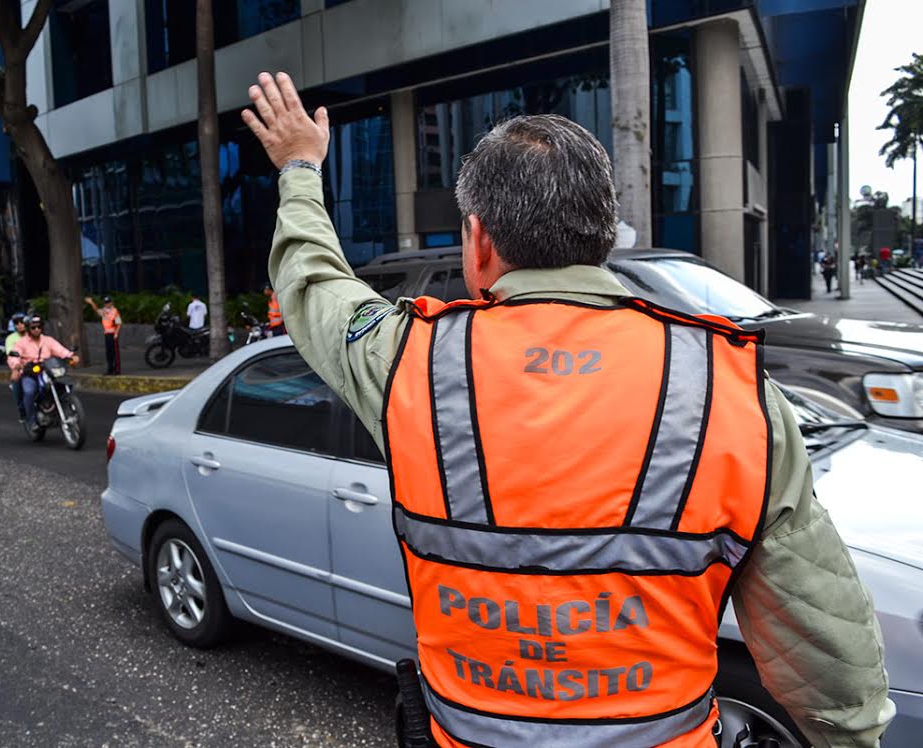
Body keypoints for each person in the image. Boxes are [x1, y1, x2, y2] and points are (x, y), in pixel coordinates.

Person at [242, 71, 894, 747]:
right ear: (603, 235)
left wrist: (299, 165)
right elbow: (827, 651)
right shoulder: (733, 388)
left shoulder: (408, 362)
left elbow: (312, 285)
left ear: (479, 241)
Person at [8, 316, 78, 429]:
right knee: (29, 391)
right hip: (30, 373)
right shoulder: (21, 343)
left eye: (39, 327)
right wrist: (16, 366)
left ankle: (67, 408)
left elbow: (60, 350)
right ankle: (31, 421)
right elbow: (13, 356)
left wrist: (71, 356)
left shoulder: (48, 340)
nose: (36, 329)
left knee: (66, 384)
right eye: (33, 327)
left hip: (48, 370)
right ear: (28, 328)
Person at [85, 295, 121, 375]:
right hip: (107, 333)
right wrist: (91, 302)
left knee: (115, 353)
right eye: (105, 303)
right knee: (108, 353)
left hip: (113, 334)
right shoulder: (104, 310)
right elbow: (96, 310)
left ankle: (117, 370)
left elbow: (119, 323)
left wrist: (116, 333)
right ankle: (110, 369)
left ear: (111, 303)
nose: (106, 304)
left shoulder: (115, 311)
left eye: (108, 303)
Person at [5, 314, 28, 419]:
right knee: (16, 381)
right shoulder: (11, 338)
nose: (20, 325)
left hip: (37, 364)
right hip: (20, 366)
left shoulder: (33, 334)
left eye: (21, 322)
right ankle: (21, 409)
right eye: (17, 323)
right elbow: (10, 352)